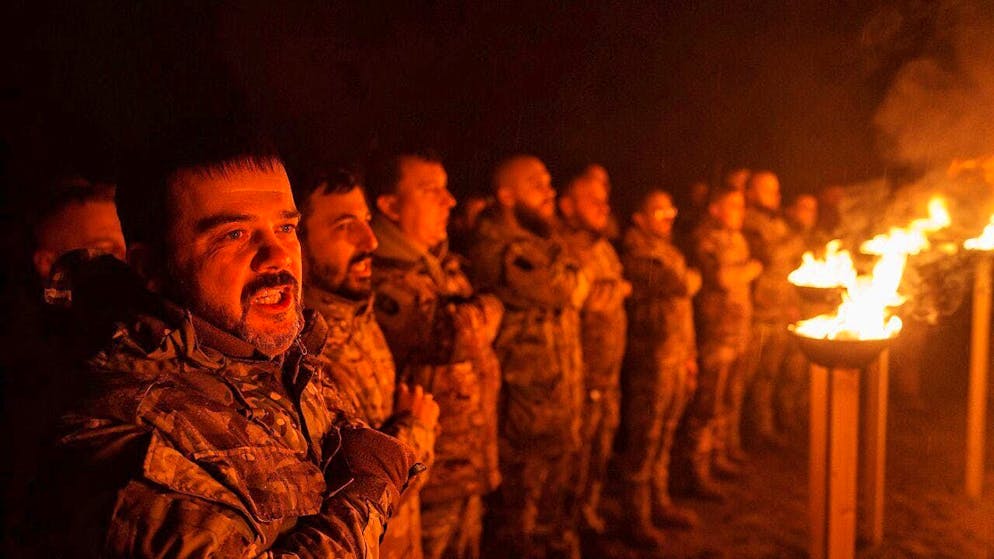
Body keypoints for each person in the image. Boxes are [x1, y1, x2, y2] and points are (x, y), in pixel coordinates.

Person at [42, 140, 421, 558]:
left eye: (286, 228)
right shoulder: (127, 433)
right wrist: (366, 494)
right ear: (151, 267)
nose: (277, 256)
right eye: (235, 234)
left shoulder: (275, 359)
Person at [364, 150, 503, 559]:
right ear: (389, 205)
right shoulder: (382, 274)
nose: (450, 200)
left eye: (447, 189)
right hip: (428, 475)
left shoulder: (439, 267)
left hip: (465, 465)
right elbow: (453, 335)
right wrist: (490, 306)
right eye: (431, 191)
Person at [295, 168, 439, 559]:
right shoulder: (302, 355)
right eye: (345, 226)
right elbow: (343, 505)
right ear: (298, 241)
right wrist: (415, 430)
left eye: (367, 222)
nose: (371, 241)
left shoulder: (356, 312)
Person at [469, 155, 587, 559]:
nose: (549, 192)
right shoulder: (497, 247)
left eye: (549, 182)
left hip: (552, 400)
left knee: (551, 509)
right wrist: (573, 273)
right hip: (520, 414)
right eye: (536, 184)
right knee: (515, 526)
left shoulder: (540, 241)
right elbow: (567, 289)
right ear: (506, 195)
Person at [615, 190, 701, 546]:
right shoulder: (635, 252)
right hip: (650, 361)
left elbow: (683, 304)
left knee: (665, 434)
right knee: (644, 441)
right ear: (638, 218)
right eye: (658, 210)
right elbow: (679, 284)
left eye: (671, 208)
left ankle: (659, 502)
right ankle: (635, 516)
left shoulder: (666, 249)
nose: (668, 215)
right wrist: (690, 280)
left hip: (675, 356)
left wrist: (690, 355)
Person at [557, 164, 630, 535]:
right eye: (592, 201)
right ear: (567, 206)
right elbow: (594, 300)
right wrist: (617, 291)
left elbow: (607, 296)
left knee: (597, 458)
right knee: (570, 466)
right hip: (578, 380)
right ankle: (564, 534)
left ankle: (587, 518)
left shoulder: (602, 249)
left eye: (605, 201)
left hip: (608, 374)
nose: (604, 207)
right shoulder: (561, 250)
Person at [681, 186, 762, 499]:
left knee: (729, 397)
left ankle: (720, 454)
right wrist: (750, 269)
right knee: (707, 403)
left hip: (738, 331)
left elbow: (734, 279)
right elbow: (721, 279)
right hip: (716, 334)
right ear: (715, 210)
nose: (740, 213)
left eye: (742, 207)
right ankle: (696, 470)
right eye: (733, 207)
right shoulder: (706, 239)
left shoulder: (736, 237)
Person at [741, 171, 804, 448]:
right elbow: (769, 256)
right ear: (751, 193)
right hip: (757, 313)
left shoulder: (779, 224)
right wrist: (795, 239)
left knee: (769, 374)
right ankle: (740, 433)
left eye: (777, 190)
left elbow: (789, 268)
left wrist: (791, 303)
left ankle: (763, 429)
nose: (775, 196)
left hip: (779, 310)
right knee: (747, 376)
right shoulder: (747, 223)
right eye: (767, 190)